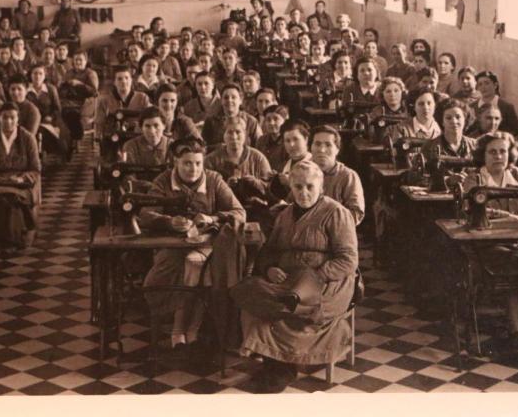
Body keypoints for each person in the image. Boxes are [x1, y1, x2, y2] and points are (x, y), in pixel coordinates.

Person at [230, 160, 358, 393]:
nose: (303, 192)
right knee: (250, 292)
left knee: (289, 305)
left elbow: (348, 259)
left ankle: (282, 368)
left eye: (310, 186)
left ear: (321, 187)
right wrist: (269, 268)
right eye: (298, 187)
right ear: (291, 187)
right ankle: (276, 364)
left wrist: (314, 277)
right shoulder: (285, 214)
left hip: (327, 283)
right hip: (289, 279)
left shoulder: (337, 213)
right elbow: (270, 251)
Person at [140, 137, 247, 350]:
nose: (194, 169)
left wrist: (213, 219)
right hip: (171, 247)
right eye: (187, 163)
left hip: (206, 246)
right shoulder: (163, 181)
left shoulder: (214, 180)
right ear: (175, 162)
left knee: (195, 263)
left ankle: (181, 329)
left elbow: (240, 212)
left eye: (198, 163)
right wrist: (169, 222)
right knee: (180, 269)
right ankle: (190, 328)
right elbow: (144, 214)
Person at [462, 132, 518, 350]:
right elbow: (468, 213)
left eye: (503, 151)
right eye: (492, 152)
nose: (498, 156)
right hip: (484, 244)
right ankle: (516, 331)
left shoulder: (517, 175)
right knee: (514, 260)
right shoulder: (475, 179)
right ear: (483, 155)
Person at [0, 102, 41, 250]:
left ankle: (12, 238)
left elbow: (35, 169)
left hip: (20, 184)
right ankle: (7, 238)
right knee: (1, 198)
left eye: (12, 117)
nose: (8, 121)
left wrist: (21, 178)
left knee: (13, 199)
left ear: (18, 119)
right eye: (4, 117)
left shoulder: (28, 138)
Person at [307, 125, 366, 227]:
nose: (322, 150)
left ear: (337, 149)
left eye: (328, 145)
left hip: (336, 233)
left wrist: (325, 223)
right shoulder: (304, 171)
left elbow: (356, 214)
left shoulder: (348, 176)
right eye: (317, 144)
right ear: (311, 148)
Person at [94, 66, 151, 141]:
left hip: (137, 138)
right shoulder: (104, 100)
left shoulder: (143, 98)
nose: (124, 81)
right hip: (113, 139)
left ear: (131, 80)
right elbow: (99, 122)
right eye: (119, 79)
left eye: (127, 78)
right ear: (114, 82)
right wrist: (98, 137)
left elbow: (150, 117)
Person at [475, 70, 518, 136]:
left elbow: (515, 129)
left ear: (495, 85)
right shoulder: (472, 106)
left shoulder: (506, 107)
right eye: (480, 84)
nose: (483, 87)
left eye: (487, 83)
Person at [369, 76, 409, 144]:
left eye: (396, 91)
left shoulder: (408, 111)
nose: (392, 94)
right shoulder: (376, 112)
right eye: (388, 91)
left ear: (402, 92)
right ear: (382, 94)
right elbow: (371, 134)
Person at [257, 104, 289, 170]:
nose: (271, 123)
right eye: (268, 119)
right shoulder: (261, 141)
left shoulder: (288, 141)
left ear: (284, 121)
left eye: (276, 119)